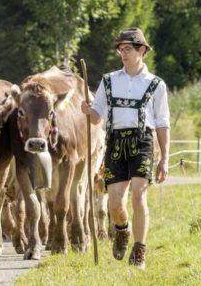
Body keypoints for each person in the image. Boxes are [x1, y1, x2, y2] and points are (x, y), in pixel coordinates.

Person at [80, 27, 170, 269]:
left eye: (128, 48)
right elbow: (97, 118)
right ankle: (122, 229)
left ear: (142, 50)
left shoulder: (156, 84)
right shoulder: (109, 81)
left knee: (139, 196)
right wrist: (88, 112)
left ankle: (139, 251)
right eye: (120, 49)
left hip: (143, 142)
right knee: (115, 204)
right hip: (116, 143)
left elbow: (162, 122)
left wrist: (165, 158)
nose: (123, 53)